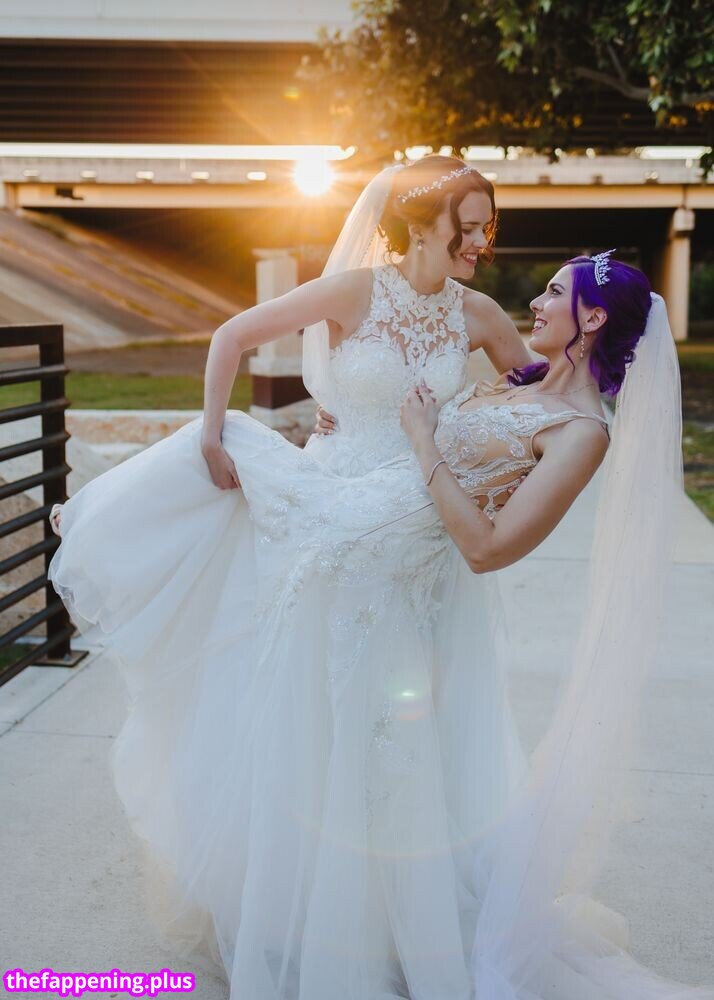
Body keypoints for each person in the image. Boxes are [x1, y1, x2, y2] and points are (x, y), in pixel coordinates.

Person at [46, 159, 712, 999]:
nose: (487, 247)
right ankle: (107, 542)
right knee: (233, 467)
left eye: (547, 286)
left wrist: (426, 436)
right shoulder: (462, 346)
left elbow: (506, 475)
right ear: (424, 223)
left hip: (399, 545)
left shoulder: (553, 398)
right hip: (351, 498)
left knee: (378, 740)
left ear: (590, 318)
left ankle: (378, 923)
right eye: (471, 225)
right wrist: (318, 419)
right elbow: (514, 398)